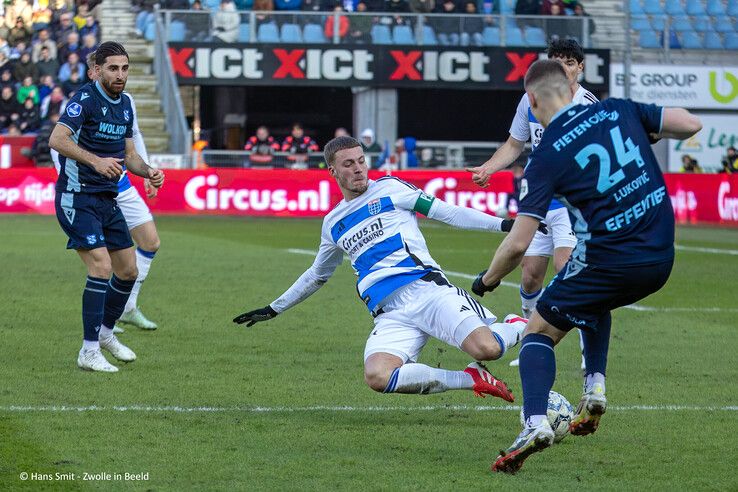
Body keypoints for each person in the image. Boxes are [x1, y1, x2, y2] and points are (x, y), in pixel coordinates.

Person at [471, 59, 701, 473]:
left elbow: (519, 242)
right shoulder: (618, 109)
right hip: (662, 257)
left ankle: (536, 422)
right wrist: (649, 127)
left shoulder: (546, 156)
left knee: (538, 328)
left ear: (532, 99)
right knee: (593, 300)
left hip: (610, 259)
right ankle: (595, 386)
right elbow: (690, 124)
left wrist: (488, 280)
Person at [234, 136, 548, 401]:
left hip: (427, 291)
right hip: (389, 313)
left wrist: (505, 224)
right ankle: (470, 379)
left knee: (488, 348)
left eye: (360, 161)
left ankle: (519, 323)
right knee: (377, 376)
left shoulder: (390, 189)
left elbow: (445, 212)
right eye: (348, 164)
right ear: (332, 171)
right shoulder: (332, 224)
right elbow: (317, 274)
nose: (358, 169)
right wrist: (275, 308)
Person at [467, 38, 597, 369]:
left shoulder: (587, 103)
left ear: (580, 67)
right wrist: (488, 168)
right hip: (540, 198)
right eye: (556, 62)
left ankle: (588, 349)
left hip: (572, 198)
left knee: (567, 265)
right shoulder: (530, 100)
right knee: (529, 276)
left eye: (569, 62)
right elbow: (514, 144)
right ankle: (532, 340)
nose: (563, 68)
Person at [49, 42, 165, 372]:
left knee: (127, 270)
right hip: (77, 196)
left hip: (107, 197)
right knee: (100, 267)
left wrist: (149, 171)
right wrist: (96, 161)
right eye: (113, 68)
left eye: (125, 68)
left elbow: (129, 155)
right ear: (98, 70)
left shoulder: (125, 104)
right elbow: (57, 140)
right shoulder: (85, 99)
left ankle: (105, 333)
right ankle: (88, 351)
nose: (120, 75)